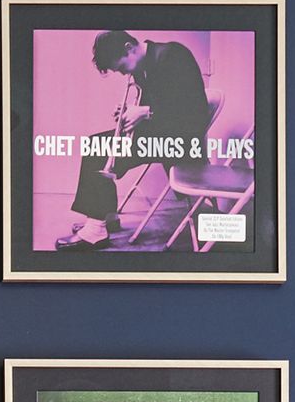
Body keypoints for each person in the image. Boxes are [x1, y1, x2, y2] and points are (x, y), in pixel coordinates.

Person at [53, 28, 211, 251]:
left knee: (97, 150)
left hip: (180, 141)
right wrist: (130, 112)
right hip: (160, 136)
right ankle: (105, 217)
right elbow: (156, 105)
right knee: (94, 144)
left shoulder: (173, 55)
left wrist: (146, 112)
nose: (122, 74)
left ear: (129, 48)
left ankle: (96, 230)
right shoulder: (142, 66)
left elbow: (195, 110)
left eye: (121, 68)